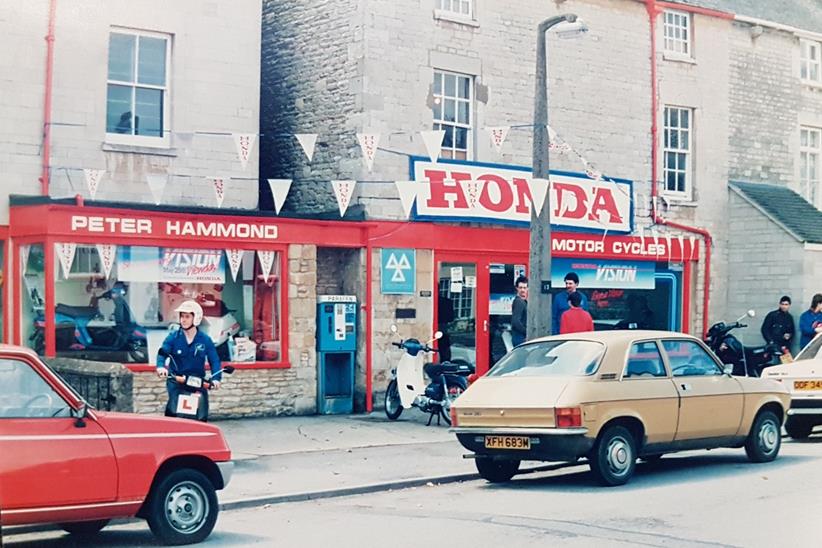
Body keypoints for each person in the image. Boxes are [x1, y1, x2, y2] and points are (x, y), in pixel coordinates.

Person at [156, 300, 222, 420]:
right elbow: (163, 353)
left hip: (196, 380)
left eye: (187, 316)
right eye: (182, 316)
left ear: (196, 318)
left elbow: (214, 360)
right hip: (177, 379)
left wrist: (216, 378)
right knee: (175, 412)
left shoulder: (205, 340)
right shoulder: (173, 338)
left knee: (200, 414)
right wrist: (161, 366)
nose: (183, 320)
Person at [511, 275, 528, 346]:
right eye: (520, 288)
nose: (523, 290)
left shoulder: (522, 301)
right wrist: (526, 332)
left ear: (528, 288)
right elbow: (516, 321)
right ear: (517, 288)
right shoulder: (519, 302)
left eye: (524, 287)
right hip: (520, 338)